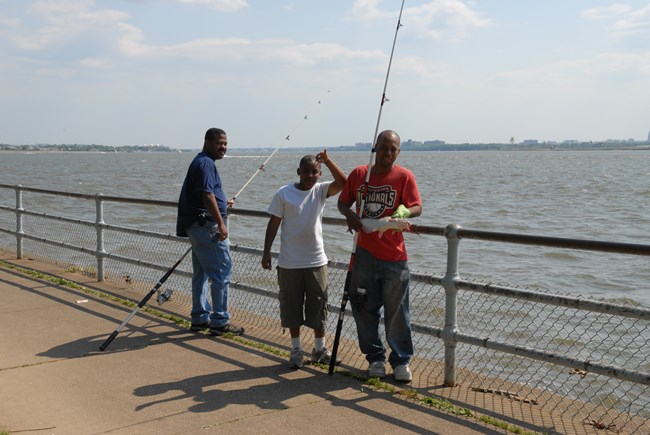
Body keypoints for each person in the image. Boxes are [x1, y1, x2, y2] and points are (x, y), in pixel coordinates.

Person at [337, 130, 422, 382]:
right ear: (375, 147)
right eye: (383, 147)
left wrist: (404, 213)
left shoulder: (405, 176)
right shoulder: (359, 174)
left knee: (397, 311)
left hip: (394, 257)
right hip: (363, 253)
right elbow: (343, 202)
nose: (387, 153)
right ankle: (375, 358)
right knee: (363, 307)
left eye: (393, 149)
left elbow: (417, 206)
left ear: (398, 152)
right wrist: (349, 214)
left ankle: (400, 360)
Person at [262, 150, 347, 369]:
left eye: (314, 172)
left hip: (316, 261)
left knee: (319, 305)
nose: (310, 176)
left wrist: (327, 161)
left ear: (319, 174)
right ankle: (296, 349)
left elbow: (345, 183)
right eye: (306, 172)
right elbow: (273, 224)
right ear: (298, 172)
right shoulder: (284, 193)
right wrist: (266, 252)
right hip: (289, 262)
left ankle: (319, 349)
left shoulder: (320, 191)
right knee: (292, 307)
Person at [176, 127, 244, 337]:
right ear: (207, 142)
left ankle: (199, 317)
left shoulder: (201, 161)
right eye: (219, 143)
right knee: (222, 272)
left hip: (198, 226)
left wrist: (224, 203)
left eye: (225, 143)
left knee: (201, 274)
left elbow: (209, 194)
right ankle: (219, 320)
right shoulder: (205, 163)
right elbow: (206, 195)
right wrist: (221, 223)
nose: (223, 147)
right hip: (207, 226)